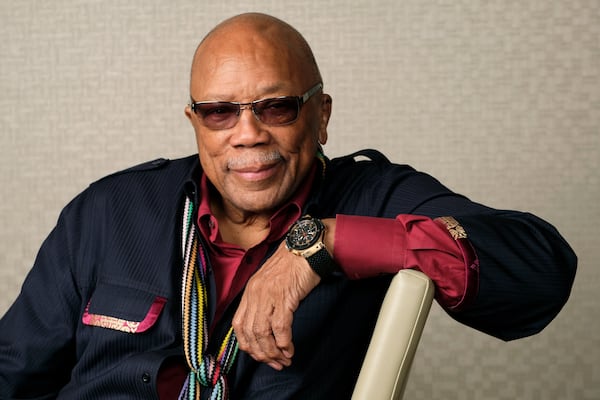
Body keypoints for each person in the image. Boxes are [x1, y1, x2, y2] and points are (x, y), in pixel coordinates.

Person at [0, 12, 576, 400]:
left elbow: (540, 268)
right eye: (220, 112)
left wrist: (325, 243)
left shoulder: (374, 197)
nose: (247, 134)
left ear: (321, 115)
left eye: (275, 107)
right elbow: (15, 371)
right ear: (195, 122)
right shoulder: (107, 211)